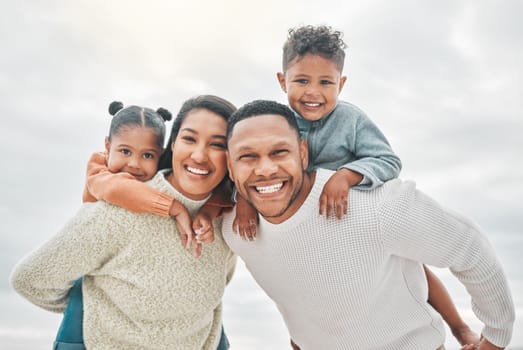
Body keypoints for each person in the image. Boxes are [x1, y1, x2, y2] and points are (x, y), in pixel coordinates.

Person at [222, 100, 515, 349]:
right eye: (247, 157)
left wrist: (495, 338)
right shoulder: (232, 229)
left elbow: (470, 248)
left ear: (302, 152)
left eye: (279, 152)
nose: (265, 169)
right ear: (230, 164)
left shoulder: (377, 207)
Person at [11, 95, 237, 350]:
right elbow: (30, 279)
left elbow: (218, 284)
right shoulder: (116, 213)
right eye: (189, 138)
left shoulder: (226, 219)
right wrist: (100, 310)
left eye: (217, 145)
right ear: (173, 144)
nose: (199, 155)